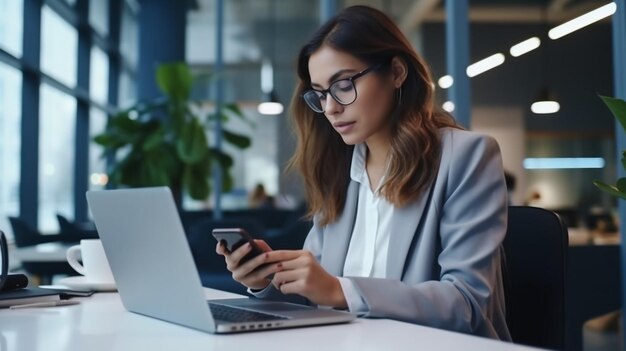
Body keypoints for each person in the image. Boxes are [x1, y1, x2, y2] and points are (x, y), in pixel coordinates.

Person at [216, 5, 510, 340]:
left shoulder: (466, 156)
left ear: (397, 72)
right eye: (322, 93)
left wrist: (343, 291)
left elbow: (466, 304)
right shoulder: (340, 171)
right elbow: (317, 295)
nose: (330, 107)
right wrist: (267, 280)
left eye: (343, 84)